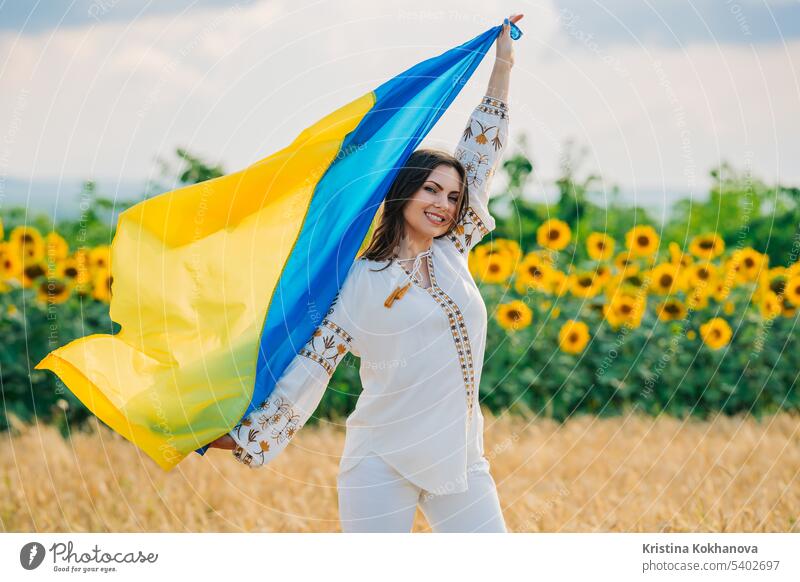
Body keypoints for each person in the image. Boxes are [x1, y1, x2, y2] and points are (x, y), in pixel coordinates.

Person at [208, 14, 522, 533]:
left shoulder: (453, 250)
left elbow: (480, 153)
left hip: (461, 460)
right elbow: (310, 370)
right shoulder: (354, 284)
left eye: (452, 196)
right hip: (379, 463)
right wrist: (245, 434)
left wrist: (503, 66)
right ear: (404, 194)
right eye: (430, 190)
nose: (443, 204)